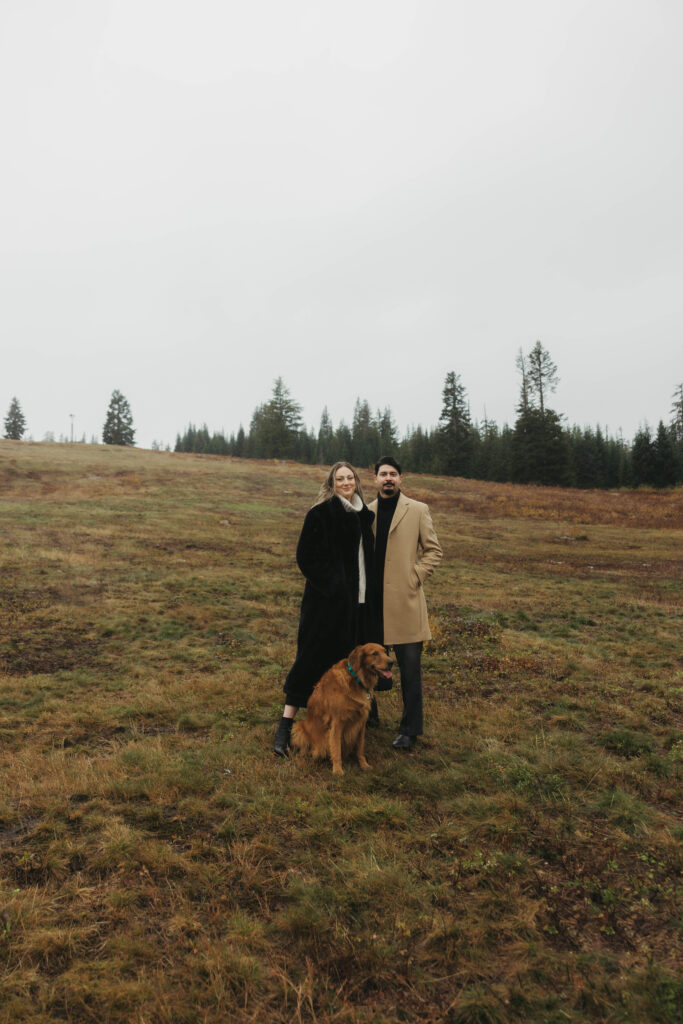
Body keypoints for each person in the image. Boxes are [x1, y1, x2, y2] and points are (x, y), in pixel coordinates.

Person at [273, 462, 378, 757]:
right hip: (324, 607)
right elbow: (305, 557)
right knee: (308, 663)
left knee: (348, 665)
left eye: (349, 478)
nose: (346, 482)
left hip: (356, 607)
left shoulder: (363, 517)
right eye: (340, 479)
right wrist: (335, 587)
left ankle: (350, 721)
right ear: (332, 484)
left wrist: (364, 596)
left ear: (356, 482)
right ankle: (285, 726)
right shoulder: (320, 514)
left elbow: (364, 561)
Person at [368, 456, 442, 750]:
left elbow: (434, 551)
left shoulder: (418, 510)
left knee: (410, 669)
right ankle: (368, 717)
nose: (388, 478)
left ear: (401, 480)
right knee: (368, 664)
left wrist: (415, 576)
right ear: (374, 479)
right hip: (373, 605)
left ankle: (410, 730)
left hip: (407, 602)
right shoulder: (367, 512)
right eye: (383, 474)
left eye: (393, 474)